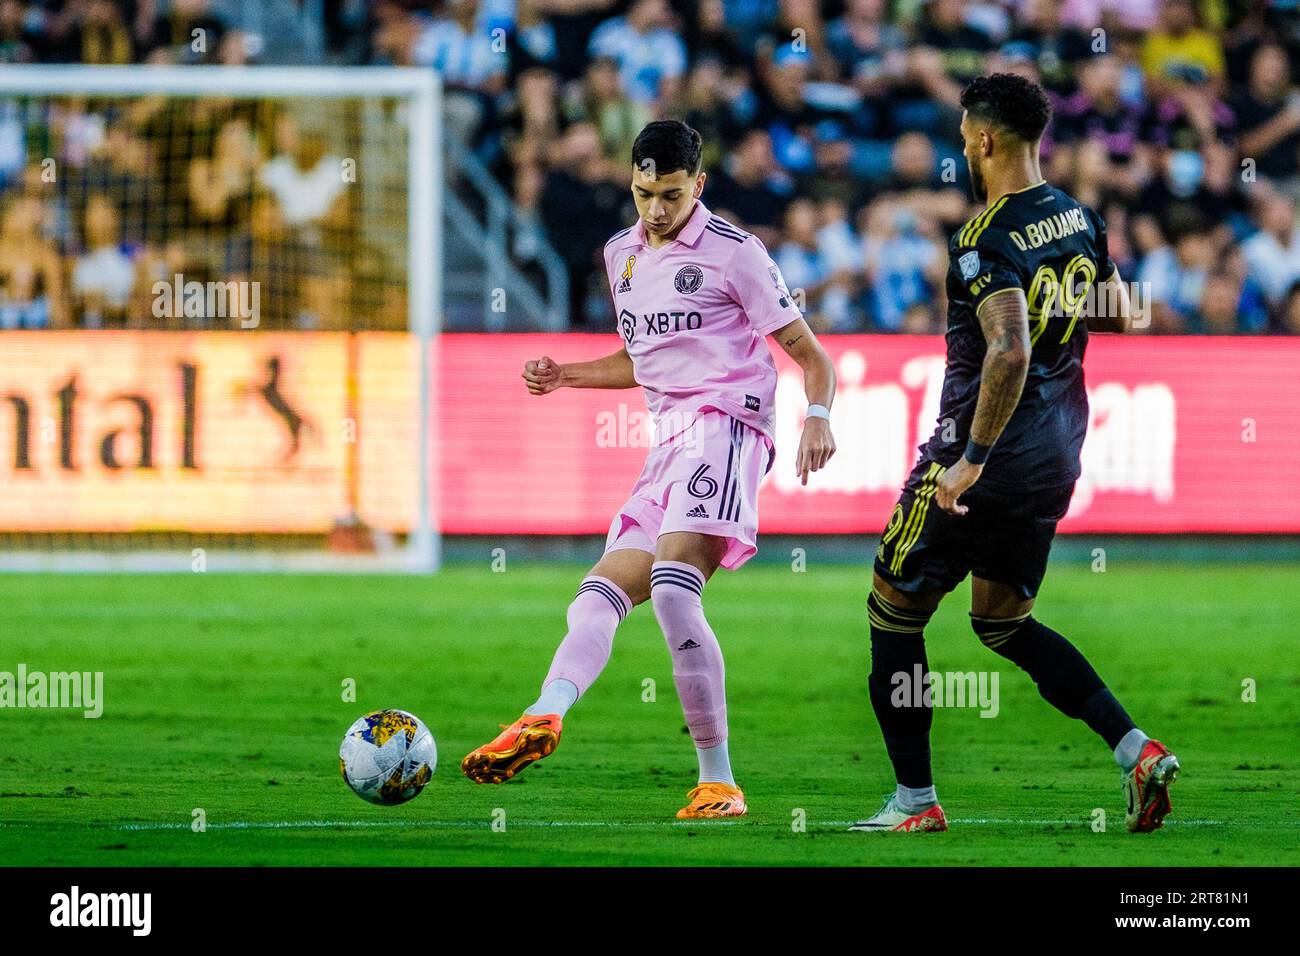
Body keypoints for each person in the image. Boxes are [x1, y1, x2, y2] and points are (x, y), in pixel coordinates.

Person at [461, 119, 838, 819]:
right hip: (667, 442)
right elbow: (643, 360)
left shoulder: (737, 254)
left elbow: (812, 357)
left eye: (670, 194)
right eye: (643, 194)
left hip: (727, 427)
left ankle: (719, 782)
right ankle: (544, 712)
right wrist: (567, 375)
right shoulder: (621, 255)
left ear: (699, 184)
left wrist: (818, 416)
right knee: (598, 593)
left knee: (671, 588)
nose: (656, 210)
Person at [855, 74, 1180, 834]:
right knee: (1002, 623)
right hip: (1056, 454)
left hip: (982, 456)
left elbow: (1007, 350)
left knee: (892, 614)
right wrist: (1061, 298)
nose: (964, 150)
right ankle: (1136, 748)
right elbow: (1126, 311)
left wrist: (969, 458)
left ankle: (914, 802)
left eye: (966, 138)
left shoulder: (982, 239)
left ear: (986, 140)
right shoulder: (1079, 217)